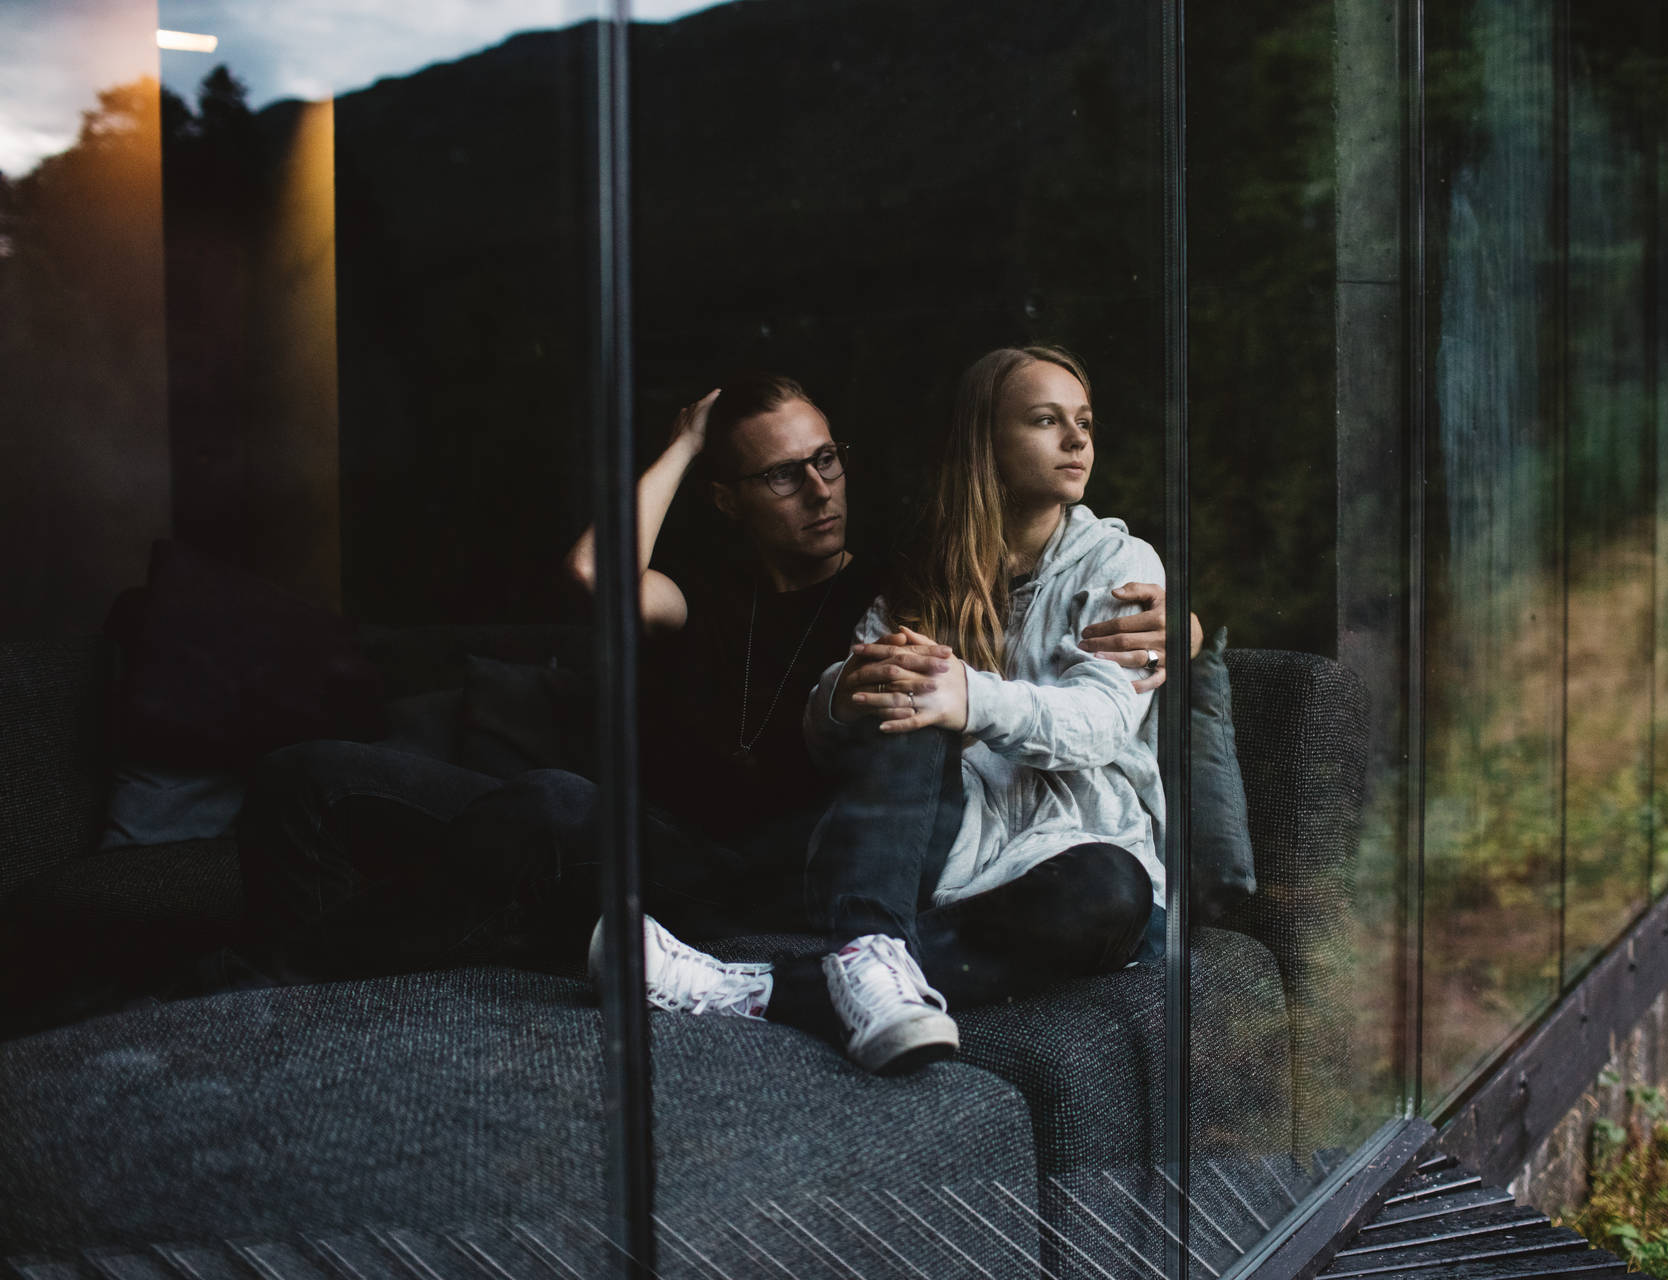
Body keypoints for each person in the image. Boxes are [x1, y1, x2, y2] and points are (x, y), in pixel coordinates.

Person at [236, 369, 1186, 984]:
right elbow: (591, 576)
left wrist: (1178, 633)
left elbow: (1017, 594)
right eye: (782, 476)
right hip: (661, 840)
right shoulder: (700, 596)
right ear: (727, 499)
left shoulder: (890, 576)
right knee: (307, 775)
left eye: (828, 462)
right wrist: (686, 443)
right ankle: (296, 998)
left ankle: (299, 975)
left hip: (772, 863)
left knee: (547, 803)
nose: (820, 491)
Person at [633, 346, 1175, 1074]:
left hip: (1070, 865)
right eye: (1047, 421)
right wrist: (839, 697)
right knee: (904, 695)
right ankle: (871, 952)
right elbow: (837, 724)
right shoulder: (925, 572)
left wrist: (968, 695)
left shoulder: (1121, 563)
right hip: (946, 867)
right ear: (985, 442)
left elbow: (1103, 721)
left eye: (1084, 422)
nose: (1078, 440)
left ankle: (757, 988)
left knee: (1114, 890)